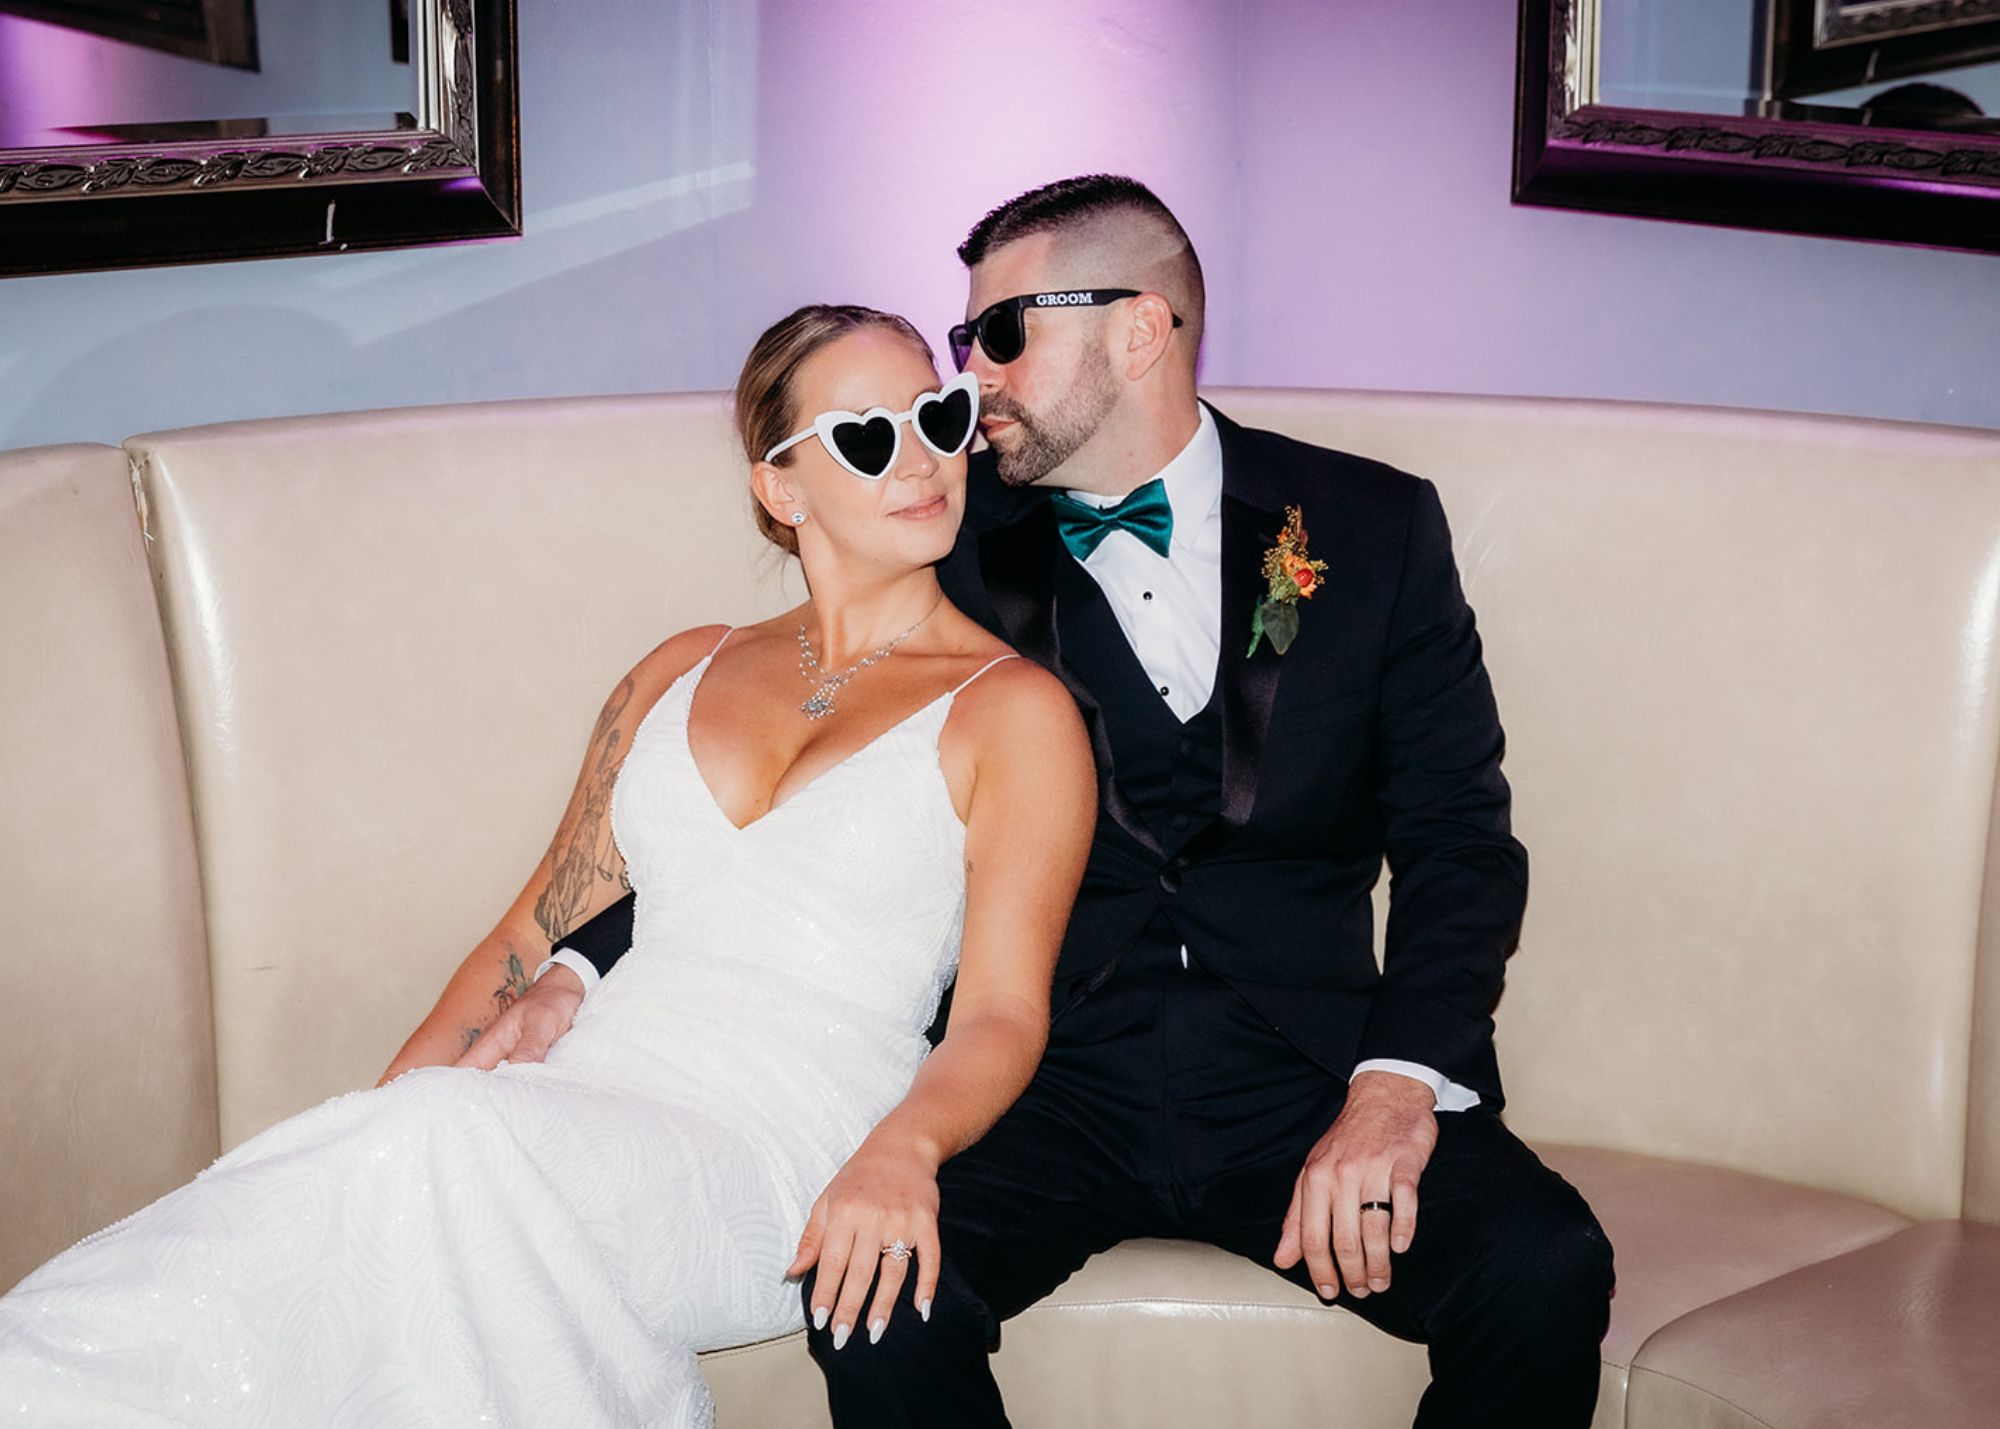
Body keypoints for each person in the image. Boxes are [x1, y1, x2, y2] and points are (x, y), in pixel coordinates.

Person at [548, 176, 1616, 1428]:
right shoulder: (941, 528)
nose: (971, 382)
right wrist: (577, 966)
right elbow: (804, 789)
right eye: (964, 342)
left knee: (1545, 1265)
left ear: (1137, 331)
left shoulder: (1372, 526)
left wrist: (1391, 1089)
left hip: (1307, 1069)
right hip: (1041, 1077)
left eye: (999, 335)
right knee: (873, 1304)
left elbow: (1457, 844)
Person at [0, 305, 1097, 1428]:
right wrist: (379, 1130)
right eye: (869, 435)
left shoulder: (1012, 711)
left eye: (938, 415)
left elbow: (1001, 1015)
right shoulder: (680, 667)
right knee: (408, 1143)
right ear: (781, 489)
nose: (920, 458)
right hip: (575, 1101)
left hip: (785, 1144)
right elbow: (531, 933)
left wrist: (900, 1153)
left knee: (442, 1141)